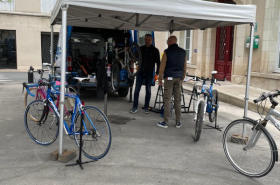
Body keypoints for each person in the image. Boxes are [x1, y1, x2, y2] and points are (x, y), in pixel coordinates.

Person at [157, 36, 187, 128]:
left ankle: (165, 122)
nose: (166, 42)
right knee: (178, 100)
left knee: (167, 99)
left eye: (167, 41)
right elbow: (185, 66)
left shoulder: (167, 52)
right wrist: (182, 77)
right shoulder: (183, 52)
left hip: (169, 78)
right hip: (178, 78)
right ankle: (178, 122)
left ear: (170, 41)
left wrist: (160, 78)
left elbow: (162, 66)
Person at [130, 34, 160, 114]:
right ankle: (134, 107)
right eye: (146, 39)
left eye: (148, 40)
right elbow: (134, 56)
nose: (147, 41)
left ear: (152, 40)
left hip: (149, 73)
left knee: (148, 90)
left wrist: (157, 74)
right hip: (140, 72)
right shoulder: (141, 48)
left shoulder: (155, 50)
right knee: (136, 90)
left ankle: (146, 107)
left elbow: (158, 63)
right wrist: (132, 58)